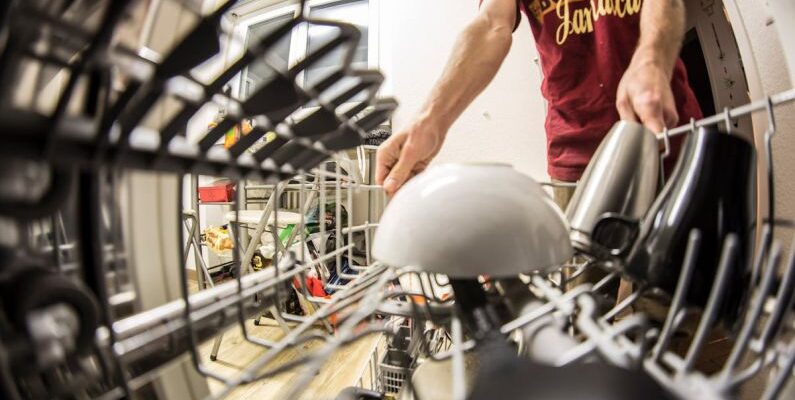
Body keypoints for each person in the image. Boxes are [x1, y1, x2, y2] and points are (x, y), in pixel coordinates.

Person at [375, 0, 702, 201]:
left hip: (664, 130)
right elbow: (492, 24)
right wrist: (430, 121)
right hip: (574, 155)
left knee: (677, 298)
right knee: (581, 302)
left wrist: (651, 59)